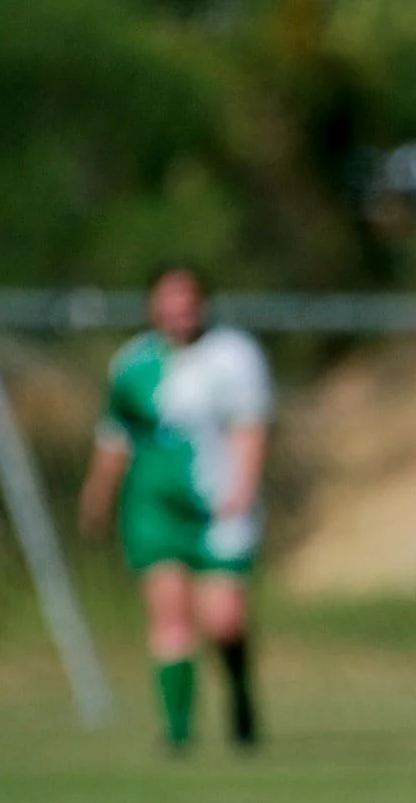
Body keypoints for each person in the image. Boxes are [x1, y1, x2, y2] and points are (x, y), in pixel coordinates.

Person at [79, 265, 271, 752]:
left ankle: (241, 696)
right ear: (154, 307)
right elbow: (115, 439)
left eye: (188, 301)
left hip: (217, 504)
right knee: (170, 614)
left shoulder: (233, 355)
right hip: (153, 505)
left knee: (225, 618)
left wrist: (243, 490)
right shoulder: (133, 364)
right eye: (169, 301)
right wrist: (97, 498)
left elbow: (250, 427)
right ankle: (178, 733)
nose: (179, 311)